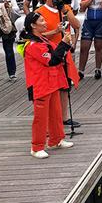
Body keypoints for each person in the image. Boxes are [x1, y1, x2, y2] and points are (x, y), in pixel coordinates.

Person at [20, 12, 75, 158]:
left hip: (52, 82)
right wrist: (63, 43)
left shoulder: (42, 39)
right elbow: (51, 60)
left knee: (55, 113)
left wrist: (65, 43)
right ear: (33, 25)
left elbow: (55, 54)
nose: (45, 23)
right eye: (42, 21)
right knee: (41, 118)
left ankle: (56, 139)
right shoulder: (33, 44)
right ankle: (36, 147)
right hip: (40, 84)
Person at [37, 0, 82, 126]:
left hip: (64, 51)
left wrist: (64, 9)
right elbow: (37, 35)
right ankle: (52, 117)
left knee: (65, 85)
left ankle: (64, 116)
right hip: (50, 52)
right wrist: (54, 32)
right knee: (52, 87)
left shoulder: (63, 9)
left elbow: (76, 25)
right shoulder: (40, 12)